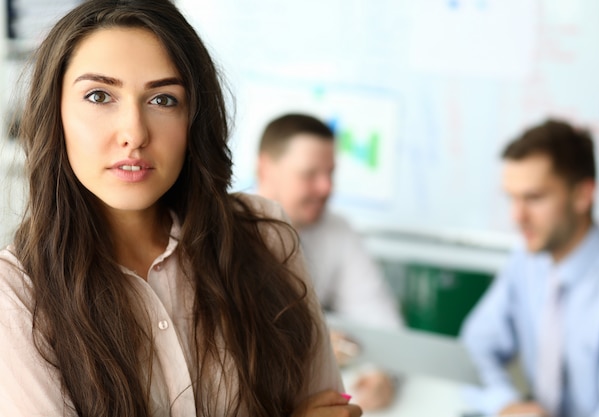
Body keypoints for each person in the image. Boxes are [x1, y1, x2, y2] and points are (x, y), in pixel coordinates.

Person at [0, 1, 362, 417]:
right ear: (54, 113)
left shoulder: (266, 236)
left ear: (194, 118)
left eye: (163, 100)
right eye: (99, 96)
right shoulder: (15, 297)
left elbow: (332, 408)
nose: (134, 133)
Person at [460, 119, 599, 417]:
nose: (517, 216)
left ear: (583, 195)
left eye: (533, 198)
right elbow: (475, 347)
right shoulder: (526, 262)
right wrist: (506, 404)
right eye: (512, 198)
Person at [256, 113, 404, 411]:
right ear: (265, 168)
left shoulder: (338, 231)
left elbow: (382, 323)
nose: (326, 188)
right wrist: (315, 345)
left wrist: (382, 373)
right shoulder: (222, 234)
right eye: (310, 175)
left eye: (330, 173)